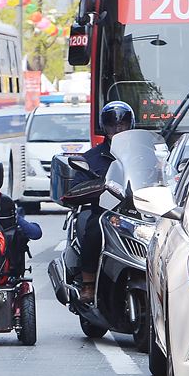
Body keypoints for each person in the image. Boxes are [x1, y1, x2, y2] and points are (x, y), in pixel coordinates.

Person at [74, 101, 135, 302]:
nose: (117, 129)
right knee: (93, 229)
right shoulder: (92, 157)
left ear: (129, 125)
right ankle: (88, 284)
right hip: (105, 212)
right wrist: (96, 188)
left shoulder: (141, 154)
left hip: (138, 212)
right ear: (104, 127)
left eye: (122, 124)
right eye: (112, 125)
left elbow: (158, 175)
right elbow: (77, 186)